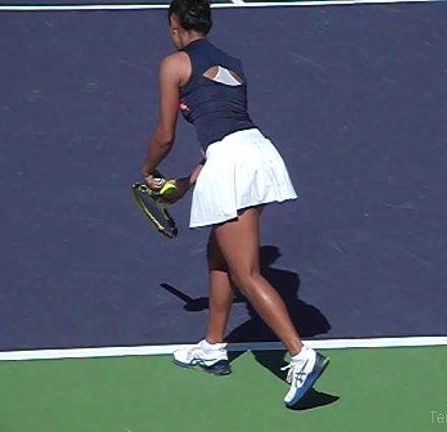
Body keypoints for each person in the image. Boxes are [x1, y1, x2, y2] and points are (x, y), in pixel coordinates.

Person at [141, 0, 329, 408]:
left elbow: (165, 135)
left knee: (245, 273)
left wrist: (148, 168)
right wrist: (183, 185)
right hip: (256, 153)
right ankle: (213, 346)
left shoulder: (174, 65)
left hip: (232, 163)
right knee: (219, 256)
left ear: (174, 24)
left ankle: (301, 356)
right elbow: (223, 139)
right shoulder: (234, 65)